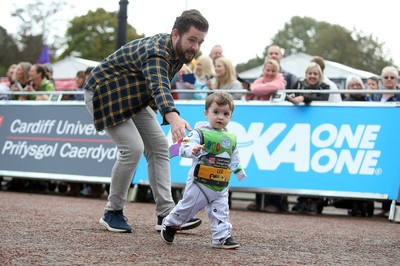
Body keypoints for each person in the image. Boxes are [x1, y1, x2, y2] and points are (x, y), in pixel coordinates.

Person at [82, 9, 209, 233]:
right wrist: (173, 115)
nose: (195, 47)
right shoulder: (157, 52)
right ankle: (112, 212)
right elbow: (158, 84)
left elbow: (154, 86)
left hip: (134, 98)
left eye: (200, 42)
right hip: (104, 92)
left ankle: (166, 214)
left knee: (160, 147)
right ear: (176, 34)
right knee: (132, 148)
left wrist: (168, 113)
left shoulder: (178, 53)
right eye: (192, 40)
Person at [161, 91, 247, 249]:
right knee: (188, 207)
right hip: (199, 182)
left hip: (221, 182)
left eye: (225, 114)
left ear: (231, 116)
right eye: (216, 112)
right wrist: (192, 149)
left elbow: (234, 157)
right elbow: (183, 146)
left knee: (221, 210)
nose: (220, 117)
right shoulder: (199, 132)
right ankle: (171, 224)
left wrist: (239, 171)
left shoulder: (231, 138)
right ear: (206, 113)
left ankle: (221, 237)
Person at [247, 44, 298, 213]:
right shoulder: (259, 77)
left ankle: (278, 203)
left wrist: (258, 90)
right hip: (260, 124)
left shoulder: (288, 77)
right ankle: (259, 199)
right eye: (271, 53)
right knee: (260, 160)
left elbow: (270, 88)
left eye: (276, 53)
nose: (273, 56)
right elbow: (253, 90)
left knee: (277, 161)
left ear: (280, 56)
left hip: (280, 124)